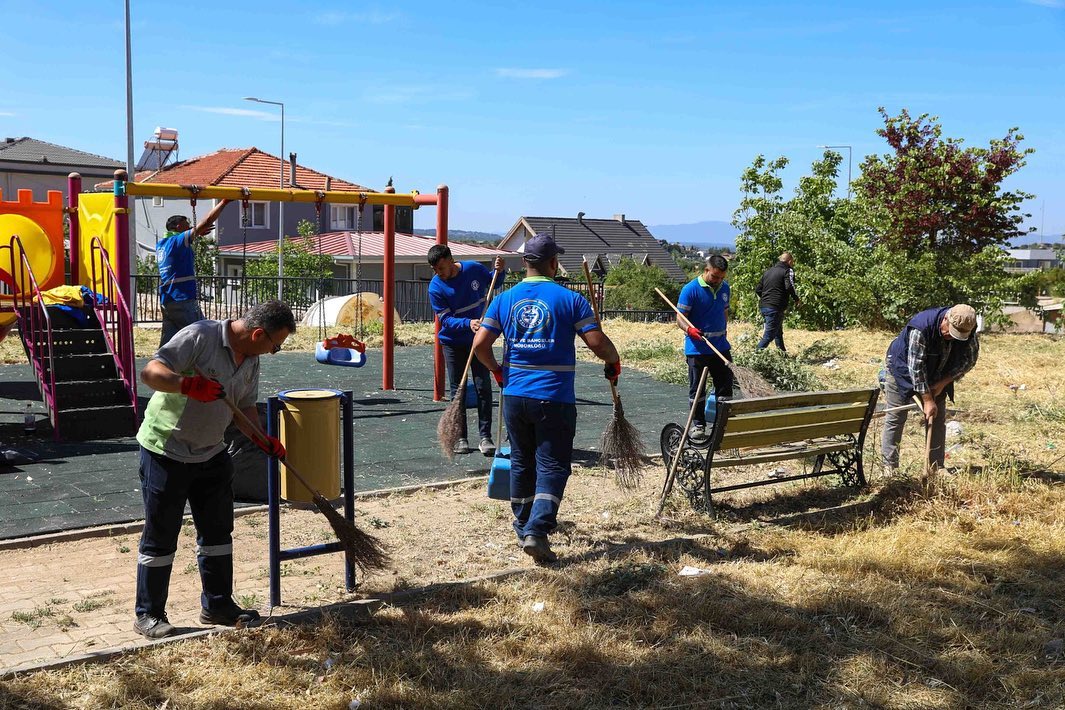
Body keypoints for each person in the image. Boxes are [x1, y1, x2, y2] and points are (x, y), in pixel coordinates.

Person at [133, 300, 294, 639]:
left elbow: (244, 406)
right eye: (275, 345)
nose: (274, 351)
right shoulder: (200, 336)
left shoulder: (250, 359)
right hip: (167, 449)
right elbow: (150, 373)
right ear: (258, 333)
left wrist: (262, 438)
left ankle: (218, 605)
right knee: (161, 535)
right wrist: (188, 385)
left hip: (212, 452)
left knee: (218, 533)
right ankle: (149, 614)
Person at [473, 232, 620, 564]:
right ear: (553, 263)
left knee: (522, 462)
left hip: (514, 395)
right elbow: (597, 343)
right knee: (553, 465)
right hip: (554, 396)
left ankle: (523, 525)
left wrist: (497, 370)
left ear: (525, 262)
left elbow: (480, 346)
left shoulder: (504, 299)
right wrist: (613, 360)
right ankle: (537, 530)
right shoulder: (570, 299)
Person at [428, 245, 506, 455]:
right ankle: (461, 437)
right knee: (458, 389)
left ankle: (485, 437)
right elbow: (445, 319)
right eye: (436, 270)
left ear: (450, 259)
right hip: (452, 343)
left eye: (442, 268)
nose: (439, 273)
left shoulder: (473, 269)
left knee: (483, 385)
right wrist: (467, 323)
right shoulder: (435, 287)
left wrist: (500, 269)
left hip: (478, 340)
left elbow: (495, 282)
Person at [881, 304, 979, 472]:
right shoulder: (921, 327)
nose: (951, 337)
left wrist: (942, 383)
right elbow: (915, 368)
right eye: (951, 331)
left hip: (937, 374)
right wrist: (927, 399)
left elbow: (969, 361)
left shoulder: (967, 329)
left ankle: (936, 467)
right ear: (946, 319)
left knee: (937, 419)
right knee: (896, 417)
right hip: (902, 370)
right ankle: (889, 468)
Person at [157, 199, 232, 347]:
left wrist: (196, 233)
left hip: (168, 300)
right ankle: (204, 367)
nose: (190, 226)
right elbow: (206, 222)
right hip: (182, 298)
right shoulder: (178, 241)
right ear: (179, 227)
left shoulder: (162, 244)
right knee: (204, 334)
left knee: (169, 342)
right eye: (187, 224)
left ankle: (160, 367)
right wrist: (224, 202)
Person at [677, 254, 733, 439]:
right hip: (697, 349)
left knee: (725, 389)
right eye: (715, 277)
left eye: (721, 278)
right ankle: (698, 425)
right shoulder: (690, 290)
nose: (718, 281)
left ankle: (721, 426)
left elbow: (724, 311)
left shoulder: (725, 288)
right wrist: (689, 329)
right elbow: (680, 318)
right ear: (706, 270)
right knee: (697, 390)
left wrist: (724, 331)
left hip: (720, 348)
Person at [755, 251, 801, 352]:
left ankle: (783, 354)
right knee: (769, 336)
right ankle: (755, 354)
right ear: (789, 261)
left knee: (778, 333)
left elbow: (758, 289)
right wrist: (796, 299)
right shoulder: (788, 270)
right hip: (775, 307)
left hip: (764, 306)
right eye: (792, 262)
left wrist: (766, 299)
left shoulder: (768, 271)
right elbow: (789, 286)